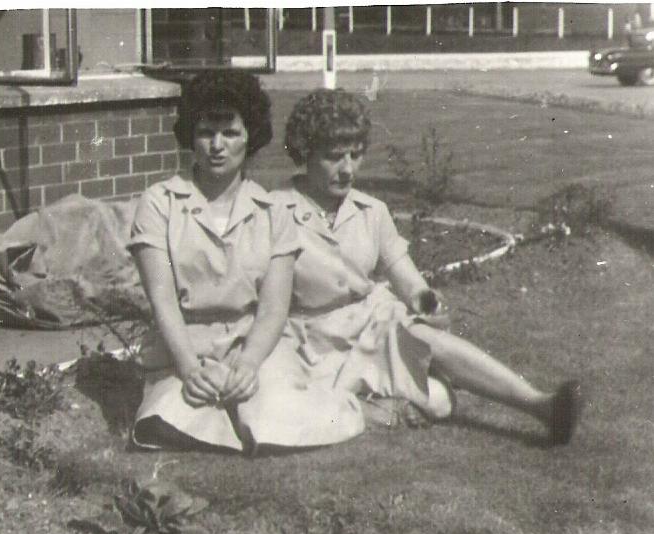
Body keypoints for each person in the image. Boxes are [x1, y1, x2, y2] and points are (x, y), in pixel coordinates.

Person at [276, 88, 582, 445]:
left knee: (426, 341)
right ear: (305, 153)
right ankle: (385, 406)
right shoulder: (275, 211)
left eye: (355, 156)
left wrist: (425, 299)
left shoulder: (371, 211)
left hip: (372, 328)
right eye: (333, 157)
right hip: (315, 346)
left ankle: (543, 406)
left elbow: (406, 277)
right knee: (439, 400)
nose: (347, 170)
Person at [127, 72, 363, 453]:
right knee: (166, 421)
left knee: (272, 422)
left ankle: (279, 404)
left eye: (231, 133)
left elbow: (273, 308)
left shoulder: (274, 210)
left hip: (254, 344)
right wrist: (188, 368)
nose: (217, 146)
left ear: (250, 135)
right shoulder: (160, 203)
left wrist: (251, 362)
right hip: (184, 346)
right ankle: (211, 409)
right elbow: (162, 300)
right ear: (191, 136)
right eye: (206, 132)